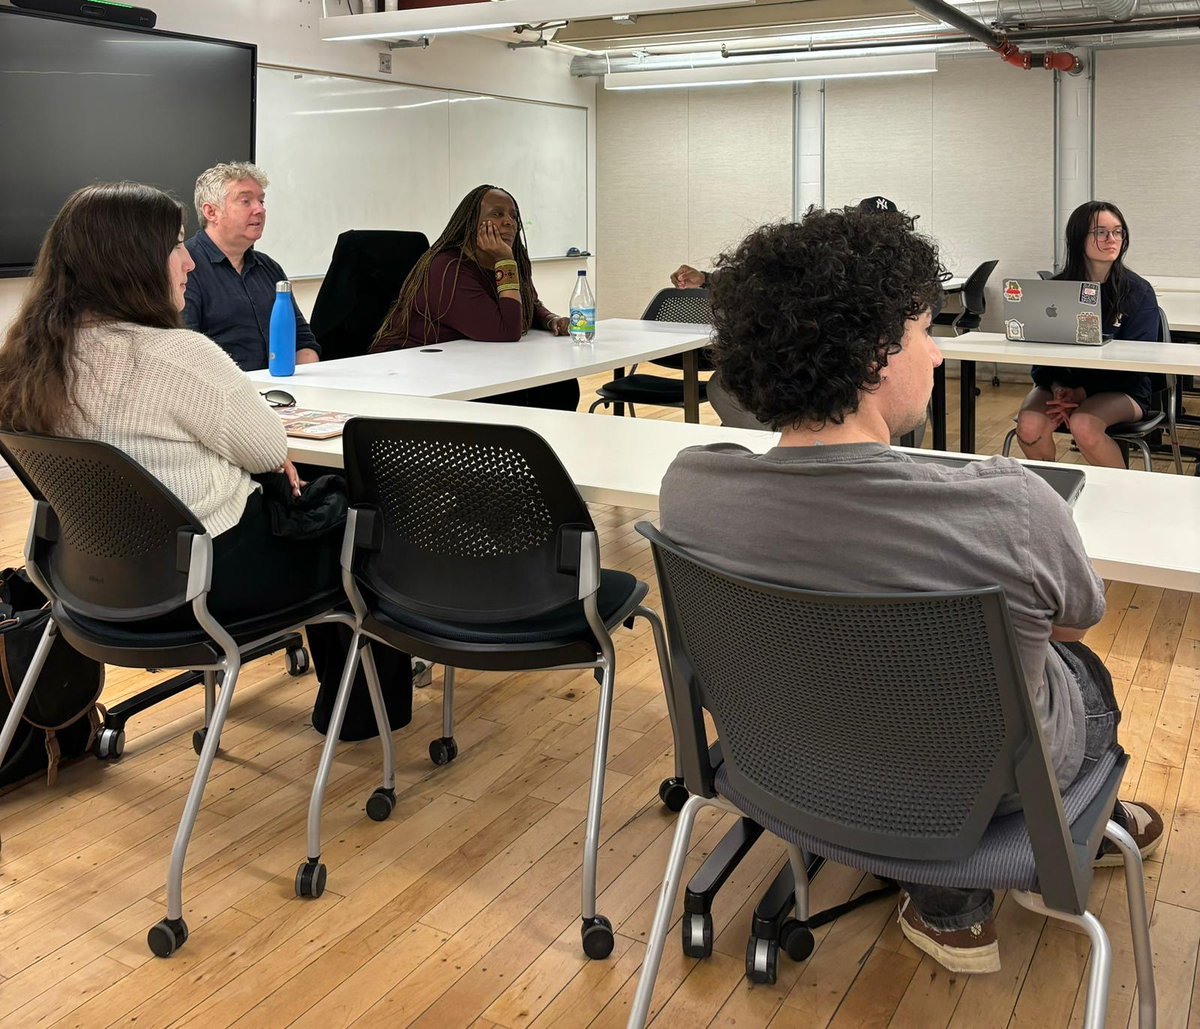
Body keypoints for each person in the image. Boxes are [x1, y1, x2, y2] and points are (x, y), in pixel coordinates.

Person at [658, 207, 1163, 976]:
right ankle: (1038, 849)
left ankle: (948, 900)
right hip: (974, 791)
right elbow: (1072, 624)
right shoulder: (1012, 508)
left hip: (785, 758)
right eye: (924, 329)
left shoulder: (690, 488)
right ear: (871, 353)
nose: (935, 353)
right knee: (1081, 679)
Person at [0, 181, 340, 625]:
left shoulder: (29, 358)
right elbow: (270, 449)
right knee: (356, 542)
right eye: (177, 245)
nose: (190, 261)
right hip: (202, 582)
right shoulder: (178, 356)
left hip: (86, 585)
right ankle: (352, 697)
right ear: (133, 262)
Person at [371, 184, 578, 411]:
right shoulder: (447, 267)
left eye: (513, 216)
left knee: (561, 387)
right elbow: (506, 331)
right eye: (497, 214)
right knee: (511, 398)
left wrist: (551, 320)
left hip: (467, 361)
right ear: (471, 223)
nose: (509, 221)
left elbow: (528, 304)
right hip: (409, 369)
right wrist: (505, 262)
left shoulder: (512, 260)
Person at [1015, 201, 1159, 469]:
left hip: (1123, 389)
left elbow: (1140, 361)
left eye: (1118, 232)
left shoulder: (1138, 292)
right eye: (1101, 232)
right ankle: (1053, 498)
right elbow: (1042, 356)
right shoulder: (1057, 288)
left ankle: (1120, 500)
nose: (1111, 239)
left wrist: (1082, 393)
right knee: (1029, 423)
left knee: (1084, 423)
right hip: (1061, 385)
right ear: (1079, 237)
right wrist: (1059, 388)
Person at [183, 162, 321, 372]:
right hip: (221, 394)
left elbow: (302, 341)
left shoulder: (269, 267)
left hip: (280, 394)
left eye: (261, 200)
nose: (260, 209)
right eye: (246, 201)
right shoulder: (185, 265)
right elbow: (184, 350)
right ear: (211, 212)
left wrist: (306, 386)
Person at [670, 195, 908, 288]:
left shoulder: (907, 269)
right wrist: (706, 279)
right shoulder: (832, 261)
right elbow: (759, 277)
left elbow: (932, 303)